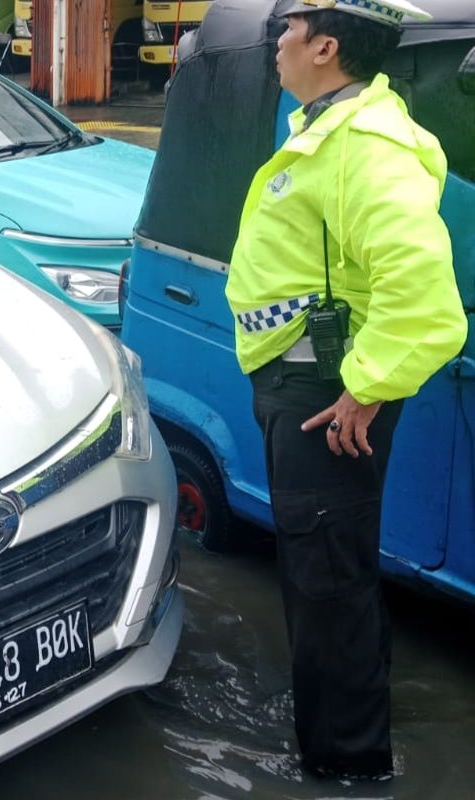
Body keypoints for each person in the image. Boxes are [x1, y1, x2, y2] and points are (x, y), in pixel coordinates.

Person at [224, 0, 467, 782]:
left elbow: (423, 296)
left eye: (284, 34)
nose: (276, 49)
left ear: (325, 46)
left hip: (328, 394)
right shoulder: (329, 127)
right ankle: (336, 729)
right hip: (305, 381)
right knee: (325, 566)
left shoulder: (367, 143)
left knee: (329, 576)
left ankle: (347, 765)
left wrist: (364, 388)